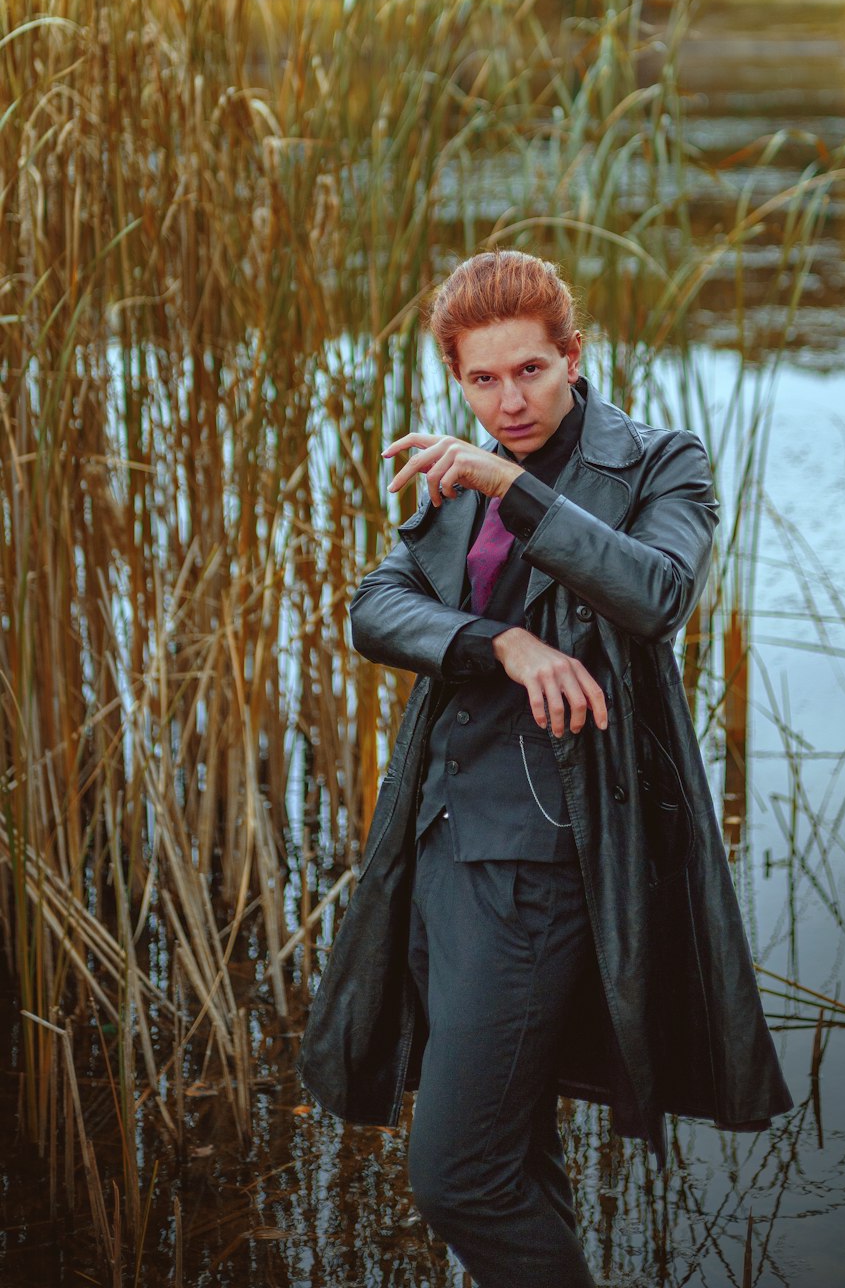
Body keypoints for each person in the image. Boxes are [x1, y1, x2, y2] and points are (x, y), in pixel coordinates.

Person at [297, 251, 792, 1288]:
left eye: (529, 371)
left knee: (458, 1175)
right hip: (439, 842)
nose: (507, 401)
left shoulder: (660, 463)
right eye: (481, 381)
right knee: (512, 1150)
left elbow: (654, 592)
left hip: (548, 857)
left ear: (575, 355)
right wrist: (504, 647)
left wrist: (509, 487)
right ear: (456, 380)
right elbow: (377, 607)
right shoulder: (454, 477)